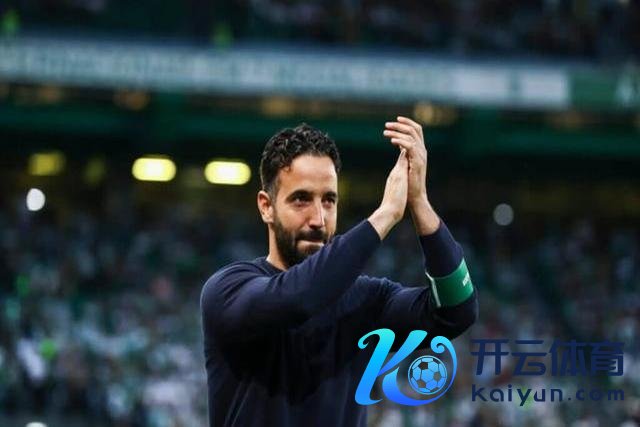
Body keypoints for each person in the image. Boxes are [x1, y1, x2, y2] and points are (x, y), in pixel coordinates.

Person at [200, 117, 478, 426]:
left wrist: (419, 202)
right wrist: (385, 215)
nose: (318, 219)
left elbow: (457, 310)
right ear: (266, 206)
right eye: (301, 200)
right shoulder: (227, 291)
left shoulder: (365, 301)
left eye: (329, 201)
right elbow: (300, 298)